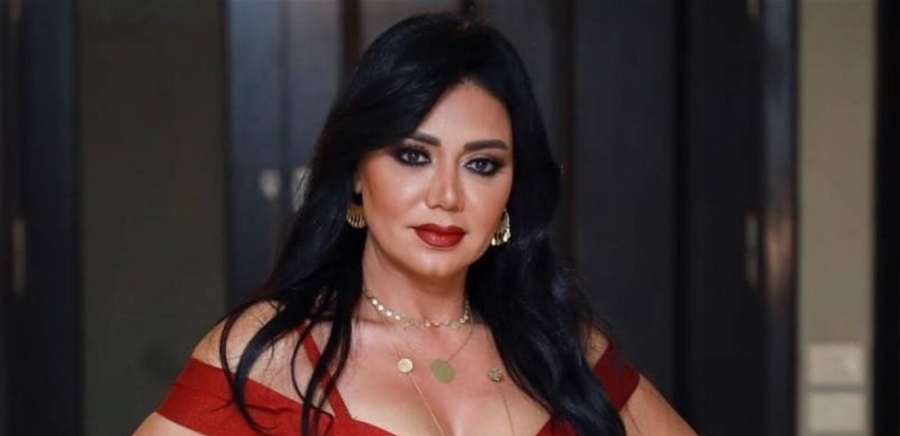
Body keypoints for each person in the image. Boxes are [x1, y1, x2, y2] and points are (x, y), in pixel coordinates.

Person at [135, 12, 695, 436]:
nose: (446, 196)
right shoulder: (274, 352)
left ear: (512, 186)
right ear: (357, 172)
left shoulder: (561, 347)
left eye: (482, 165)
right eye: (413, 156)